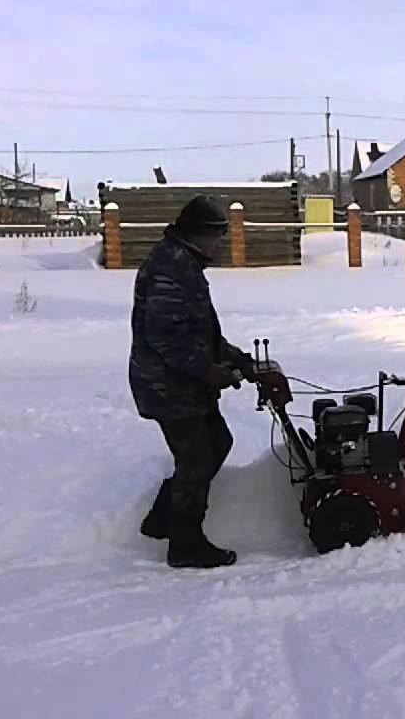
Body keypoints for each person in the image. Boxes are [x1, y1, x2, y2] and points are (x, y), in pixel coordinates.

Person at [129, 195, 256, 569]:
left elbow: (198, 331)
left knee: (217, 442)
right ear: (198, 235)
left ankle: (163, 518)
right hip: (168, 385)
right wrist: (208, 371)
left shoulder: (185, 264)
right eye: (217, 236)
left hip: (181, 382)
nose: (220, 244)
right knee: (197, 457)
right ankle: (185, 543)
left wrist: (237, 359)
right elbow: (166, 336)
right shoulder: (171, 268)